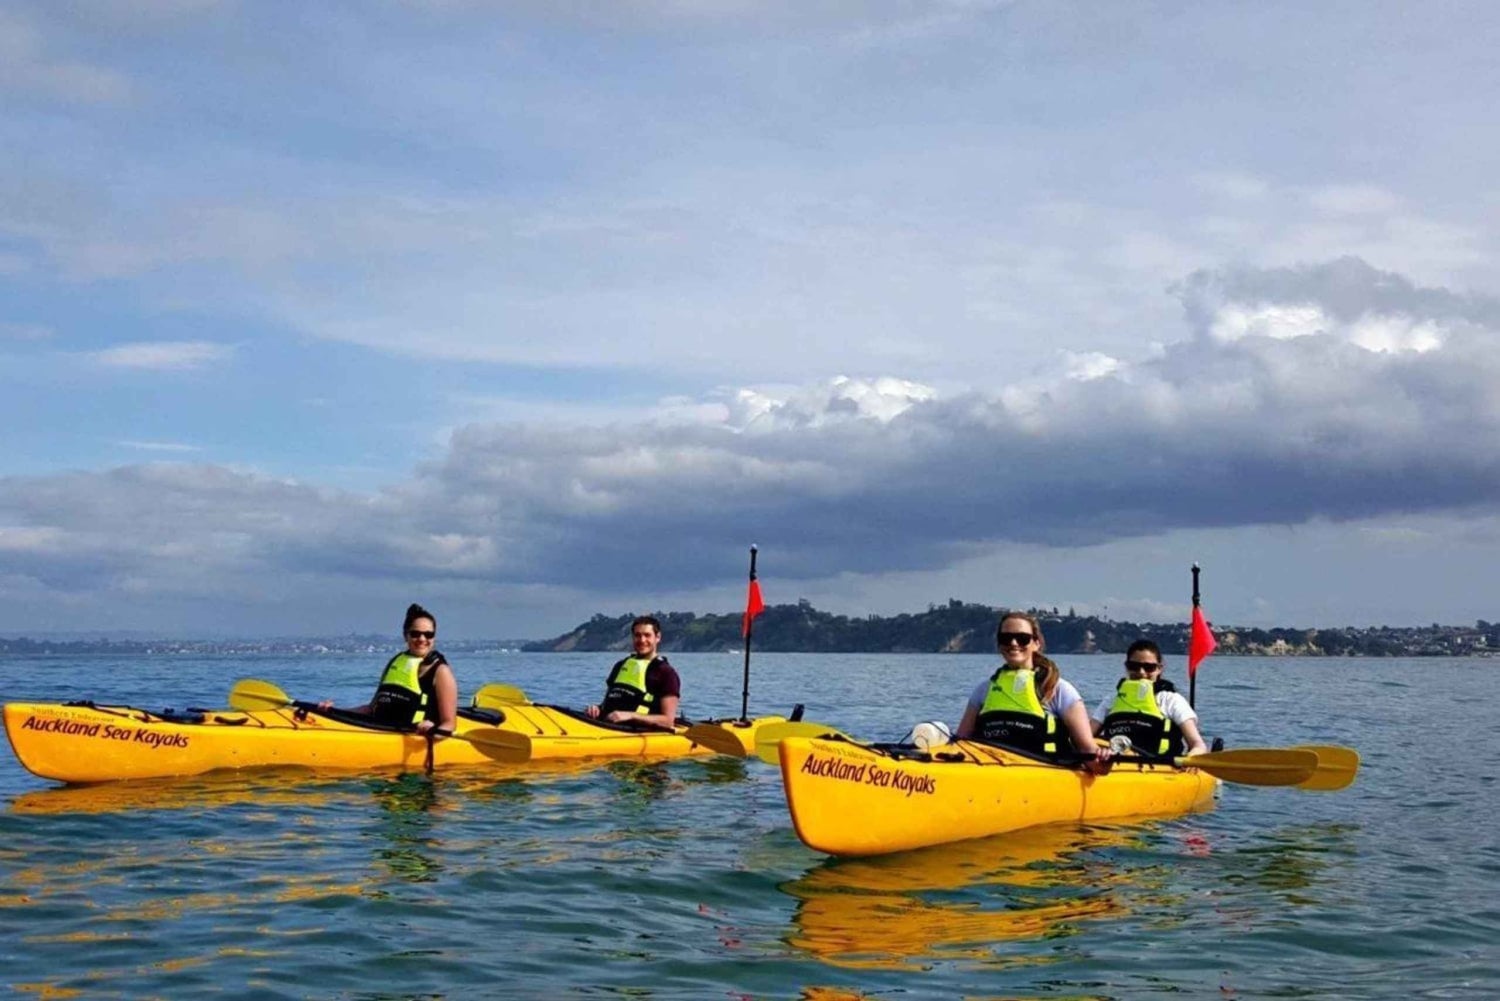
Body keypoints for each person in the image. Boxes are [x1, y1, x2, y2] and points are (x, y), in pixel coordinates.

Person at [956, 611, 1112, 774]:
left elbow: (1088, 752)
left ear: (1036, 643)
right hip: (990, 773)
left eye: (1022, 638)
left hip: (1044, 777)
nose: (1013, 643)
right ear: (999, 644)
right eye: (1005, 638)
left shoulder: (1059, 691)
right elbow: (960, 743)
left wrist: (1103, 759)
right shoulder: (983, 691)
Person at [321, 603, 458, 735]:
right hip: (381, 732)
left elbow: (449, 725)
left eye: (428, 634)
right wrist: (334, 712)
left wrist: (433, 731)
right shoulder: (395, 663)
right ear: (406, 635)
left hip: (415, 739)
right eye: (415, 634)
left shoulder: (441, 672)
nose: (422, 639)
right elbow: (371, 709)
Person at [1091, 639, 1209, 757]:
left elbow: (1198, 744)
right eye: (1134, 666)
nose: (1141, 672)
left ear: (1159, 669)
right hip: (1116, 768)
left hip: (1161, 769)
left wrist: (1192, 756)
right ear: (1127, 667)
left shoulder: (1171, 701)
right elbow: (1086, 737)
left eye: (1149, 667)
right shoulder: (1112, 700)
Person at [585, 615, 681, 731]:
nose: (642, 640)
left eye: (647, 635)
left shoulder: (666, 673)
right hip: (607, 727)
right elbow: (607, 703)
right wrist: (597, 709)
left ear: (658, 637)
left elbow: (668, 721)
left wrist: (630, 715)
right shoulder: (620, 666)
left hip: (638, 733)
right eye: (637, 635)